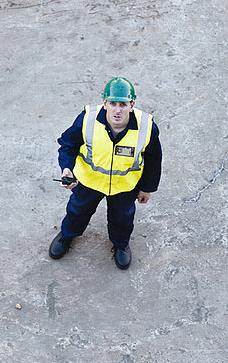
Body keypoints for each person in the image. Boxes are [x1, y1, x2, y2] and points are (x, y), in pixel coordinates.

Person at [49, 77, 162, 270]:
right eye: (113, 104)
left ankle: (120, 244)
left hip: (124, 186)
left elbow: (154, 160)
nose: (117, 110)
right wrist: (67, 169)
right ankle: (67, 235)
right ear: (105, 103)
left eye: (123, 104)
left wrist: (147, 188)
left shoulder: (147, 127)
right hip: (88, 183)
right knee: (77, 211)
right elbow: (68, 145)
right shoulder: (87, 119)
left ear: (132, 105)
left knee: (122, 218)